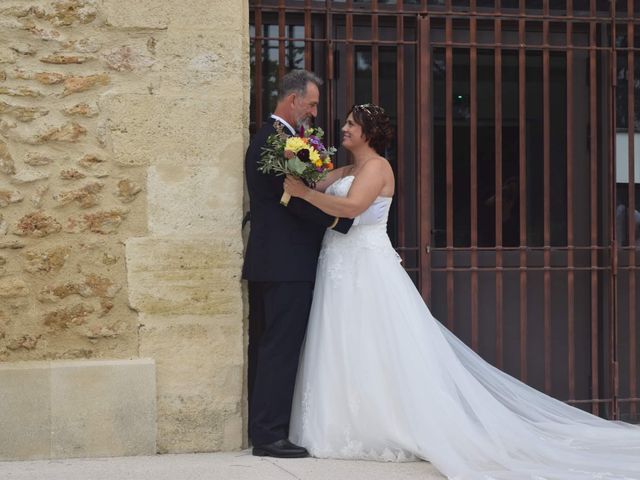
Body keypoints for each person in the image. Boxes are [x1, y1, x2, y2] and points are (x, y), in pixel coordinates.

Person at [282, 103, 640, 479]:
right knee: (342, 342)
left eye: (352, 124)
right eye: (346, 123)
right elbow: (315, 183)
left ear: (369, 133)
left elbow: (352, 206)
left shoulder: (376, 168)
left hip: (366, 267)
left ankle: (386, 423)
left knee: (377, 343)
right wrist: (296, 159)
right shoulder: (349, 168)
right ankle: (342, 422)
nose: (344, 128)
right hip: (338, 264)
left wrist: (304, 195)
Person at [242, 71, 385, 458]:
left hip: (286, 261)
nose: (316, 111)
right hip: (284, 262)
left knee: (280, 346)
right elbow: (291, 201)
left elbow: (302, 195)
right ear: (293, 101)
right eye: (313, 103)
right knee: (279, 348)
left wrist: (317, 199)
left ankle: (270, 428)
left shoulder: (283, 140)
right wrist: (341, 222)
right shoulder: (274, 141)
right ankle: (269, 435)